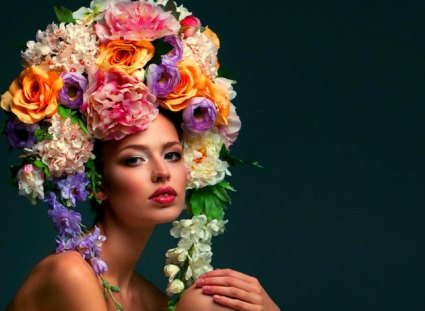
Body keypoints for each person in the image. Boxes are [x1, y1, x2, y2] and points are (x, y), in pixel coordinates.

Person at [1, 0, 280, 310]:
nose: (162, 172)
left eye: (172, 155)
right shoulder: (70, 273)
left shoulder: (145, 300)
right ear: (99, 184)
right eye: (134, 159)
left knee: (209, 303)